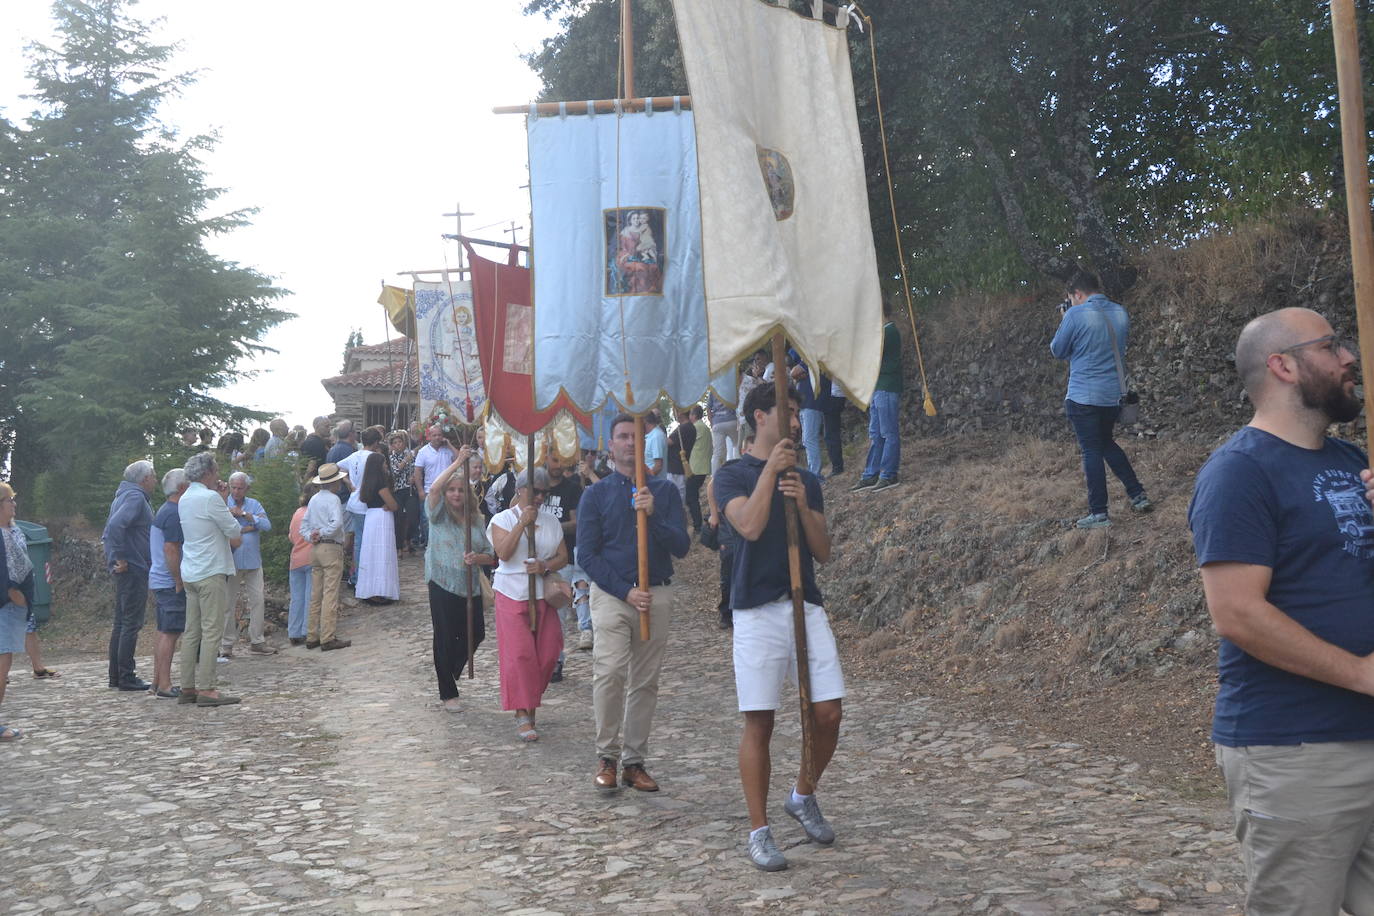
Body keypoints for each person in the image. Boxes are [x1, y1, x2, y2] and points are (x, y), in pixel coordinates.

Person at [1191, 307, 1374, 913]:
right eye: (1332, 345)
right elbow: (1237, 614)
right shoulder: (1240, 473)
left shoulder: (1353, 463)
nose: (1350, 357)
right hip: (1296, 752)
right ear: (1284, 366)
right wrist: (1361, 674)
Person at [716, 382, 845, 871]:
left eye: (797, 413)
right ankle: (759, 830)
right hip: (756, 608)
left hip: (804, 605)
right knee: (760, 721)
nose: (795, 421)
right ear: (759, 416)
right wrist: (770, 474)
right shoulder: (730, 475)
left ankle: (802, 793)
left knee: (829, 712)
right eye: (788, 412)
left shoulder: (807, 479)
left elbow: (823, 551)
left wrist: (804, 504)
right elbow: (747, 526)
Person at [578, 413, 690, 791]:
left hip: (656, 592)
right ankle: (606, 756)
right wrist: (625, 591)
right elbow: (588, 556)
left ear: (645, 444)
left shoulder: (666, 492)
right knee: (609, 671)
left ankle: (634, 761)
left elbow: (681, 546)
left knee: (645, 681)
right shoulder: (596, 494)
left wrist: (653, 514)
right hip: (613, 595)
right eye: (622, 437)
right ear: (611, 446)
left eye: (635, 437)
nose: (629, 442)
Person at [1050, 269, 1151, 527]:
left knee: (1091, 450)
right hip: (1112, 396)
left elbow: (1058, 350)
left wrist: (1066, 318)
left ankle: (1099, 513)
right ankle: (1137, 494)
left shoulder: (1075, 313)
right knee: (1106, 443)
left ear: (1078, 294)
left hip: (1083, 395)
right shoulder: (1120, 312)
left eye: (1071, 298)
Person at [488, 467, 568, 742]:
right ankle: (523, 712)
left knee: (548, 652)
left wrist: (545, 565)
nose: (540, 497)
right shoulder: (501, 519)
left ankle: (530, 698)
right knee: (520, 655)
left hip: (542, 594)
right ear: (521, 489)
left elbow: (562, 557)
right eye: (536, 491)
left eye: (545, 492)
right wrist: (522, 523)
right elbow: (503, 553)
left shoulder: (551, 522)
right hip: (511, 591)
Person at [425, 446, 494, 712]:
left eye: (460, 490)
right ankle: (448, 693)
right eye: (451, 490)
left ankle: (451, 669)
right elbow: (433, 490)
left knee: (476, 633)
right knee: (444, 636)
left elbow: (490, 555)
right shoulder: (438, 514)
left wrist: (477, 558)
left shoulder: (476, 520)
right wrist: (458, 463)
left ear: (467, 494)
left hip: (470, 585)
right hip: (441, 581)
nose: (455, 494)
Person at [177, 452, 243, 706]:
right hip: (211, 570)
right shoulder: (210, 497)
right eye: (215, 471)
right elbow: (233, 529)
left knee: (192, 631)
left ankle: (187, 687)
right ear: (206, 474)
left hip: (191, 570)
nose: (218, 476)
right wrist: (224, 501)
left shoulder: (185, 498)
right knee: (212, 630)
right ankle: (207, 688)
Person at [103, 459, 156, 691]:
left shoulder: (124, 495)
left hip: (129, 566)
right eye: (153, 476)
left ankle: (116, 676)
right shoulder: (135, 497)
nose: (155, 480)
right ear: (144, 479)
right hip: (133, 567)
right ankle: (126, 676)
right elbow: (114, 527)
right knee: (130, 624)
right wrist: (122, 558)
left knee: (121, 623)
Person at [218, 471, 275, 659]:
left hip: (253, 561)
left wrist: (246, 516)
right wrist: (246, 526)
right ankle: (226, 644)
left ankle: (257, 641)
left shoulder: (254, 504)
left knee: (258, 600)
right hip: (231, 561)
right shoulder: (223, 503)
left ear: (247, 488)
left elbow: (267, 525)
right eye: (233, 487)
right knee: (227, 603)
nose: (236, 491)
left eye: (240, 488)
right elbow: (221, 526)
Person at [542, 450, 586, 675]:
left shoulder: (572, 488)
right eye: (554, 458)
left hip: (563, 559)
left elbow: (576, 522)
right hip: (535, 558)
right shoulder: (536, 486)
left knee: (557, 610)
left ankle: (556, 660)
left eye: (561, 459)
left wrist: (552, 526)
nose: (557, 464)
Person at [852, 299, 903, 492]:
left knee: (888, 433)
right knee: (876, 434)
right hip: (878, 387)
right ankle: (871, 474)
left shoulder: (888, 332)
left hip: (887, 386)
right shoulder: (883, 332)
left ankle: (889, 474)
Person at [300, 463, 351, 651]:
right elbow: (336, 524)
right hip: (330, 547)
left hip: (315, 549)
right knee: (330, 593)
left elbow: (303, 526)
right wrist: (322, 533)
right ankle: (327, 637)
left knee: (316, 594)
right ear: (335, 482)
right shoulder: (334, 499)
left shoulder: (313, 500)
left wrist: (311, 536)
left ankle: (312, 635)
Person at [148, 468, 189, 698]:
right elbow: (171, 549)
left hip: (160, 579)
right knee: (170, 632)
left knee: (164, 630)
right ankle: (164, 684)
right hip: (168, 581)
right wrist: (178, 580)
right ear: (182, 487)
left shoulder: (165, 510)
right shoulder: (173, 513)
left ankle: (156, 681)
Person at [0, 482, 34, 739]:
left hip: (13, 606)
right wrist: (11, 593)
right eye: (9, 500)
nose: (14, 504)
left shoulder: (13, 530)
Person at [355, 444, 400, 604]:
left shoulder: (367, 484)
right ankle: (378, 590)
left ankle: (371, 590)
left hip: (371, 517)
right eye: (384, 464)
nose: (386, 466)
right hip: (382, 518)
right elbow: (393, 505)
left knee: (371, 554)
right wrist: (391, 505)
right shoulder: (380, 485)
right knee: (381, 554)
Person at [413, 424, 457, 549]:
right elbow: (417, 472)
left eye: (439, 435)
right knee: (429, 521)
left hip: (448, 492)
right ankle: (430, 546)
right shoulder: (423, 452)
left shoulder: (447, 449)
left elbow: (460, 458)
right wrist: (421, 491)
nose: (437, 437)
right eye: (434, 435)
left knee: (448, 520)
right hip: (429, 492)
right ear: (429, 437)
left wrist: (449, 444)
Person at [286, 487, 315, 646]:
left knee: (296, 597)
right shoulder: (313, 513)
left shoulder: (297, 513)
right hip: (311, 557)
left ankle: (294, 631)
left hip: (295, 558)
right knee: (310, 596)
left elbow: (291, 536)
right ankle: (306, 630)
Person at [387, 431, 417, 554]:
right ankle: (399, 546)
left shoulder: (411, 455)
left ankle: (408, 539)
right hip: (397, 490)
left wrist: (414, 477)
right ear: (392, 445)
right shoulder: (391, 458)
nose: (398, 445)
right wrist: (405, 460)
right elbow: (395, 472)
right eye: (395, 443)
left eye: (400, 442)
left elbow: (417, 468)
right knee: (398, 518)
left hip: (409, 489)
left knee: (413, 516)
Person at [665, 408, 697, 517]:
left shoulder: (684, 428)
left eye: (675, 411)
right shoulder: (689, 427)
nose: (674, 414)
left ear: (681, 412)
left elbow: (667, 442)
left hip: (676, 470)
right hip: (678, 469)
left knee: (675, 502)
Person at [737, 350, 769, 452]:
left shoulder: (752, 380)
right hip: (740, 421)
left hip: (750, 420)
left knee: (749, 449)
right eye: (752, 364)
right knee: (739, 450)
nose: (753, 366)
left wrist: (758, 376)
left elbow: (766, 389)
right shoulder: (735, 384)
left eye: (754, 363)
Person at [687, 405, 711, 534]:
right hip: (702, 467)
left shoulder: (696, 428)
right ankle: (698, 524)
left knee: (691, 497)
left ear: (694, 415)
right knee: (692, 496)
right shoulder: (705, 428)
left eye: (690, 414)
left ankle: (697, 526)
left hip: (696, 468)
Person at [818, 374, 845, 477]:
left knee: (831, 433)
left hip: (832, 396)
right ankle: (836, 465)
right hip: (833, 395)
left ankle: (837, 466)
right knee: (831, 433)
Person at [707, 391, 739, 474]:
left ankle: (714, 477)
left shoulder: (713, 389)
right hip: (732, 420)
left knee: (717, 453)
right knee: (736, 445)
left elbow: (708, 408)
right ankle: (739, 470)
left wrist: (712, 423)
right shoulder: (731, 386)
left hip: (717, 422)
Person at [643, 409, 667, 478]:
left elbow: (658, 466)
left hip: (654, 484)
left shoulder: (656, 436)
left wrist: (645, 479)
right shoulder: (651, 435)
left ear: (644, 420)